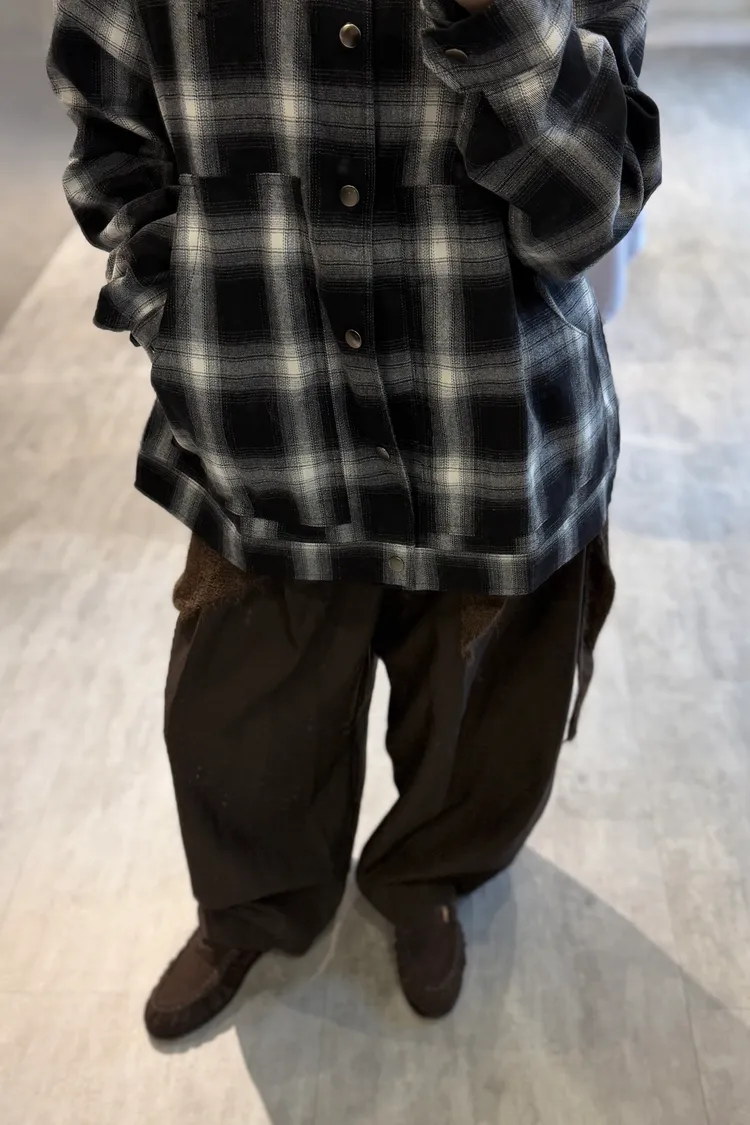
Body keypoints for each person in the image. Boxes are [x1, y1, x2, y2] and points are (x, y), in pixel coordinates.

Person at [47, 0, 661, 1040]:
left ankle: (428, 879)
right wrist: (176, 307)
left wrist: (499, 24)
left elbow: (593, 209)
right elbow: (110, 138)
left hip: (495, 433)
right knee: (241, 724)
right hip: (265, 425)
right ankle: (253, 905)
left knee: (481, 727)